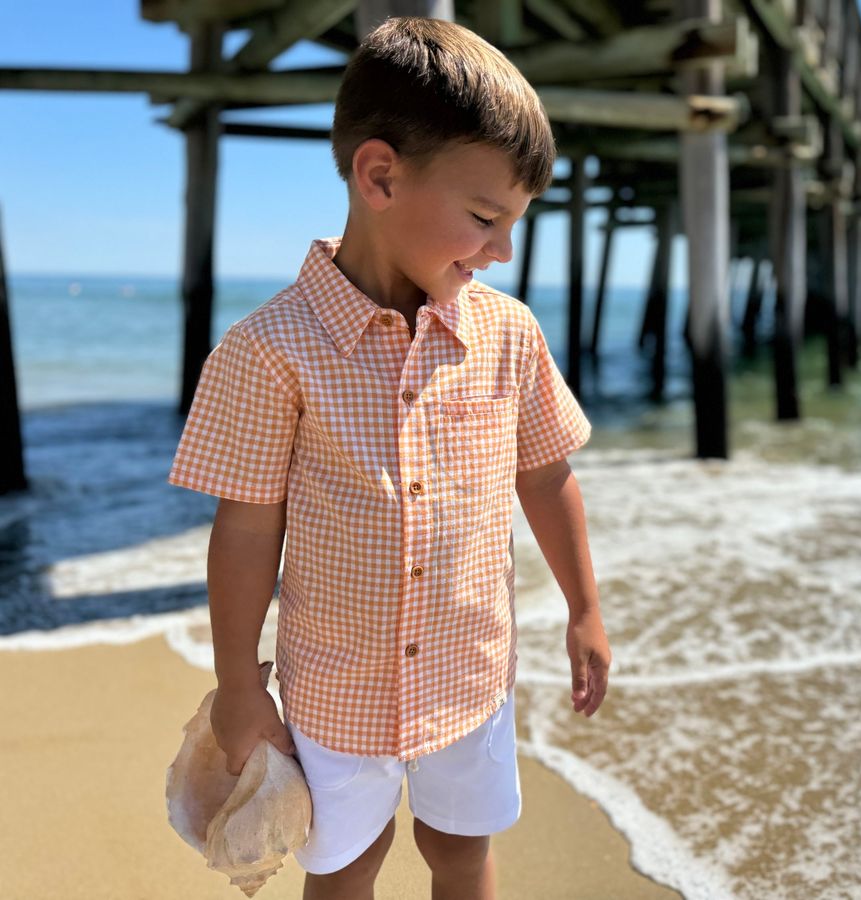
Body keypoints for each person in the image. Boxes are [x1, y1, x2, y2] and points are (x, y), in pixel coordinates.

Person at [167, 17, 611, 899]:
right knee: (344, 865)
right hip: (336, 688)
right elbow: (247, 529)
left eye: (515, 224)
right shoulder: (272, 350)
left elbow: (546, 471)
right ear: (379, 175)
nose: (502, 249)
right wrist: (235, 683)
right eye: (485, 218)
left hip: (471, 672)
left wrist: (585, 607)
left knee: (462, 852)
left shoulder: (508, 334)